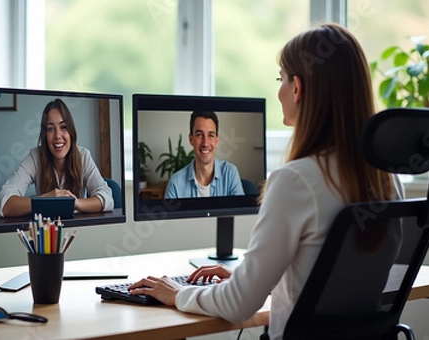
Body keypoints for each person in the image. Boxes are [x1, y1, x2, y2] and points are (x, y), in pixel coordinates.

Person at [128, 23, 405, 339]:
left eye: (281, 79)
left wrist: (176, 293)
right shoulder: (387, 180)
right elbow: (329, 284)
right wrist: (247, 278)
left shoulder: (294, 181)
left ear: (297, 88)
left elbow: (237, 306)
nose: (280, 91)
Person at [0, 98, 113, 217]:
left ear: (71, 131)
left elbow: (107, 197)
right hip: (45, 230)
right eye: (50, 129)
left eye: (63, 127)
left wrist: (75, 203)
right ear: (45, 135)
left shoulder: (83, 156)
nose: (57, 136)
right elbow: (3, 204)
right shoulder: (35, 157)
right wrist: (44, 200)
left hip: (77, 229)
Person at [164, 110, 245, 198]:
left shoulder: (230, 173)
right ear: (191, 139)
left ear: (216, 141)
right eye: (199, 135)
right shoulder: (176, 182)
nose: (205, 143)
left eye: (210, 135)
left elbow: (239, 211)